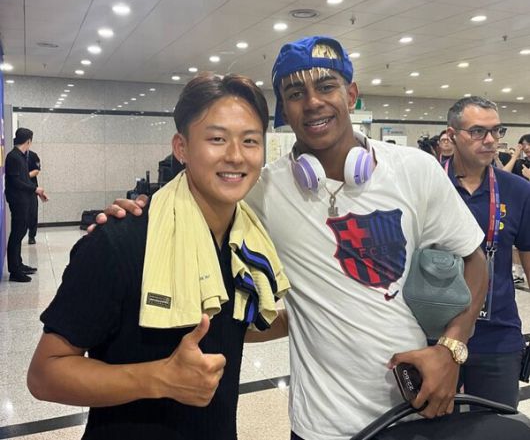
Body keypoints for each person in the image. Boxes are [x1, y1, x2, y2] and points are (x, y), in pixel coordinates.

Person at [99, 36, 488, 440]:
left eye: (326, 86)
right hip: (320, 424)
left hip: (415, 406)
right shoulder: (263, 190)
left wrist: (451, 348)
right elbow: (196, 201)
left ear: (351, 94)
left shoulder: (415, 170)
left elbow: (474, 258)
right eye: (296, 93)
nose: (313, 102)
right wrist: (135, 213)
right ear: (284, 110)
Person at [27, 74, 290, 440]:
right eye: (217, 139)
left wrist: (305, 321)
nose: (235, 155)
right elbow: (44, 374)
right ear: (181, 147)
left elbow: (227, 328)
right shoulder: (120, 241)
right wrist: (159, 378)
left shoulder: (246, 245)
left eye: (250, 140)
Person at [444, 96, 530, 408]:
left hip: (497, 334)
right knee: (434, 425)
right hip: (432, 334)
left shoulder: (517, 190)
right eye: (478, 131)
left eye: (496, 130)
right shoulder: (429, 185)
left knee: (497, 424)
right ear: (452, 135)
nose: (491, 140)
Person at [4, 128, 48, 282]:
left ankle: (19, 264)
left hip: (24, 199)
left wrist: (37, 191)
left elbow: (24, 180)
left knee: (21, 232)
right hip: (17, 201)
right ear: (28, 141)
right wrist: (35, 189)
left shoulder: (21, 156)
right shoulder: (13, 157)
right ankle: (14, 271)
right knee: (17, 234)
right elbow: (16, 182)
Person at [27, 148, 41, 244]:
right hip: (18, 189)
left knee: (33, 213)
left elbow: (36, 170)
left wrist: (24, 176)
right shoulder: (14, 156)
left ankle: (32, 236)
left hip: (32, 188)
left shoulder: (33, 155)